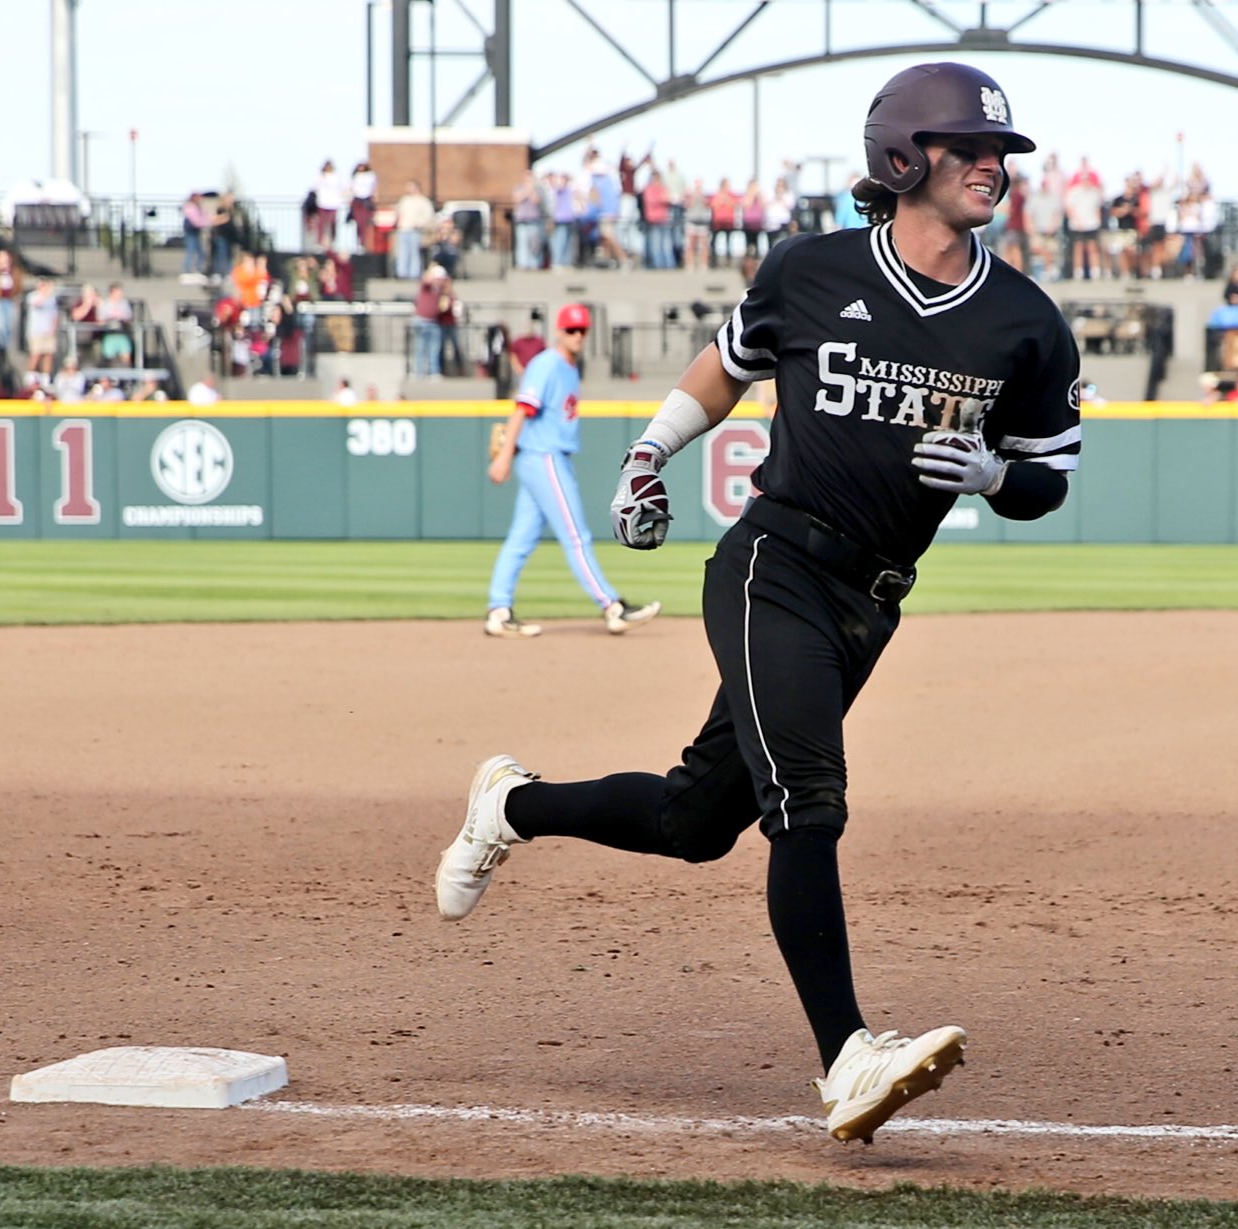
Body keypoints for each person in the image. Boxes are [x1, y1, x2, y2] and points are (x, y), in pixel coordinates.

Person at [433, 62, 1080, 1144]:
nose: (989, 166)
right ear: (900, 157)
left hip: (868, 602)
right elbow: (725, 368)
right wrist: (649, 451)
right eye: (966, 146)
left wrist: (991, 478)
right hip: (770, 567)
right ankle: (846, 1057)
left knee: (696, 823)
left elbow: (1046, 475)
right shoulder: (809, 272)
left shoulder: (1022, 320)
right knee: (808, 801)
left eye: (998, 152)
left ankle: (511, 804)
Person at [480, 302, 661, 638]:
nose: (578, 335)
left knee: (521, 538)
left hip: (549, 456)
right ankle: (612, 606)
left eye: (583, 330)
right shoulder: (546, 364)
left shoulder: (570, 367)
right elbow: (521, 410)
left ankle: (498, 610)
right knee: (577, 537)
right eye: (571, 329)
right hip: (543, 457)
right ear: (559, 331)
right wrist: (505, 455)